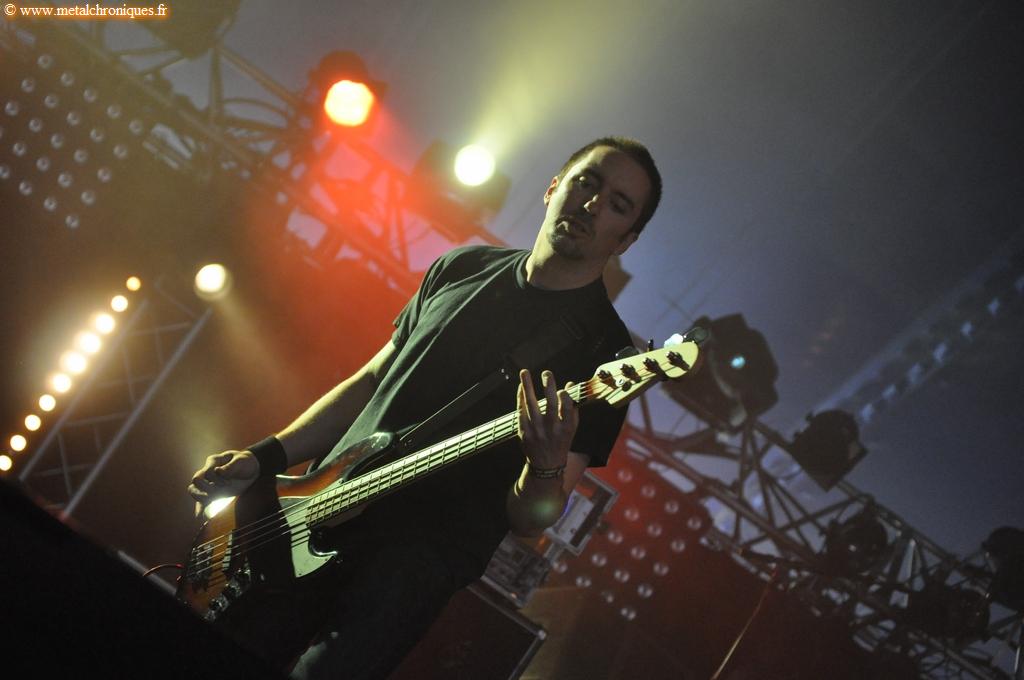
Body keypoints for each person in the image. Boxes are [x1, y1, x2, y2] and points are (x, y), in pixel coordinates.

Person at [187, 136, 663, 679]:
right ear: (555, 187)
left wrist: (547, 464)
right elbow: (371, 383)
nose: (593, 204)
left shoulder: (605, 358)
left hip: (414, 568)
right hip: (321, 511)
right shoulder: (462, 266)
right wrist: (266, 456)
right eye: (587, 182)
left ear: (626, 240)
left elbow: (530, 518)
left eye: (617, 205)